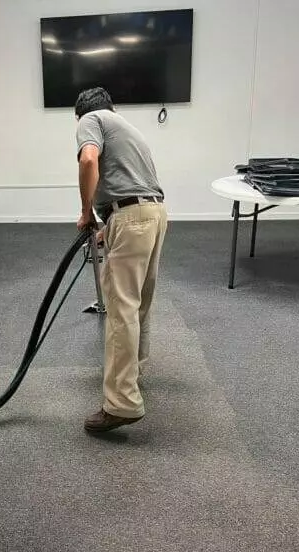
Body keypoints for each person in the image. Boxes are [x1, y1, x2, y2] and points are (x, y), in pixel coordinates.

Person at [75, 87, 168, 433]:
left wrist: (88, 214)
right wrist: (109, 226)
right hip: (154, 213)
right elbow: (131, 184)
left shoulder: (90, 119)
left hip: (131, 218)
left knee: (120, 308)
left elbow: (88, 160)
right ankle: (133, 373)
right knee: (140, 302)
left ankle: (121, 403)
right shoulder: (128, 127)